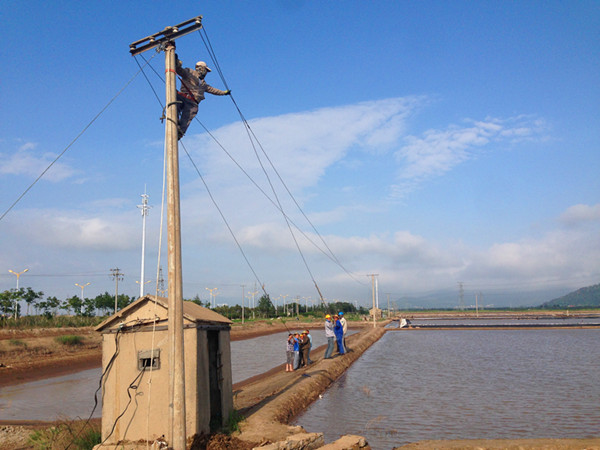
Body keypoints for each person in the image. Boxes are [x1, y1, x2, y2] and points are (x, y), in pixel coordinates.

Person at [175, 55, 230, 139]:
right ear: (201, 68)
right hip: (183, 96)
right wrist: (176, 62)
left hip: (193, 103)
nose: (206, 73)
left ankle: (180, 133)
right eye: (206, 70)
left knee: (187, 117)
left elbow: (213, 90)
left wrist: (224, 93)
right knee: (175, 103)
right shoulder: (190, 72)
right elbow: (180, 71)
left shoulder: (203, 84)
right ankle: (174, 121)